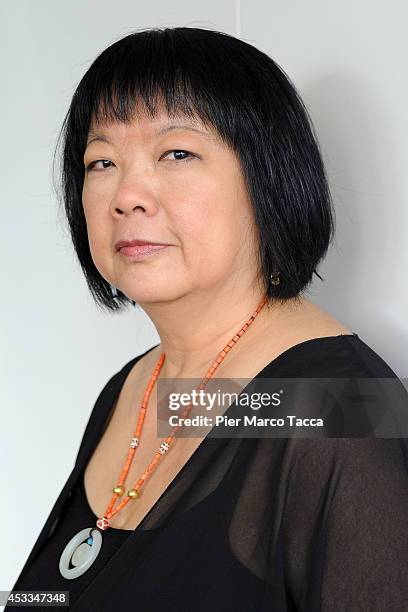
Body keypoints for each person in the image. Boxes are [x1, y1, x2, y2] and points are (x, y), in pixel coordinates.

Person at [7, 26, 407, 611]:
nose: (127, 195)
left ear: (267, 178)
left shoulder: (343, 404)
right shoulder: (132, 388)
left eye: (177, 153)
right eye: (101, 161)